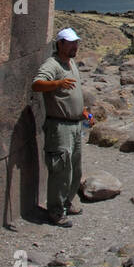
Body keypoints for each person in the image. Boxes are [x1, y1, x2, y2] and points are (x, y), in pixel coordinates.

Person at [31, 28, 95, 227]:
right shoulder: (53, 64)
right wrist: (57, 83)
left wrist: (84, 112)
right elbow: (37, 84)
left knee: (75, 168)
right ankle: (56, 211)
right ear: (60, 44)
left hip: (75, 124)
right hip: (59, 127)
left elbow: (73, 94)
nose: (75, 46)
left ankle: (67, 201)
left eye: (76, 42)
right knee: (61, 169)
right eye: (71, 43)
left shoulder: (71, 63)